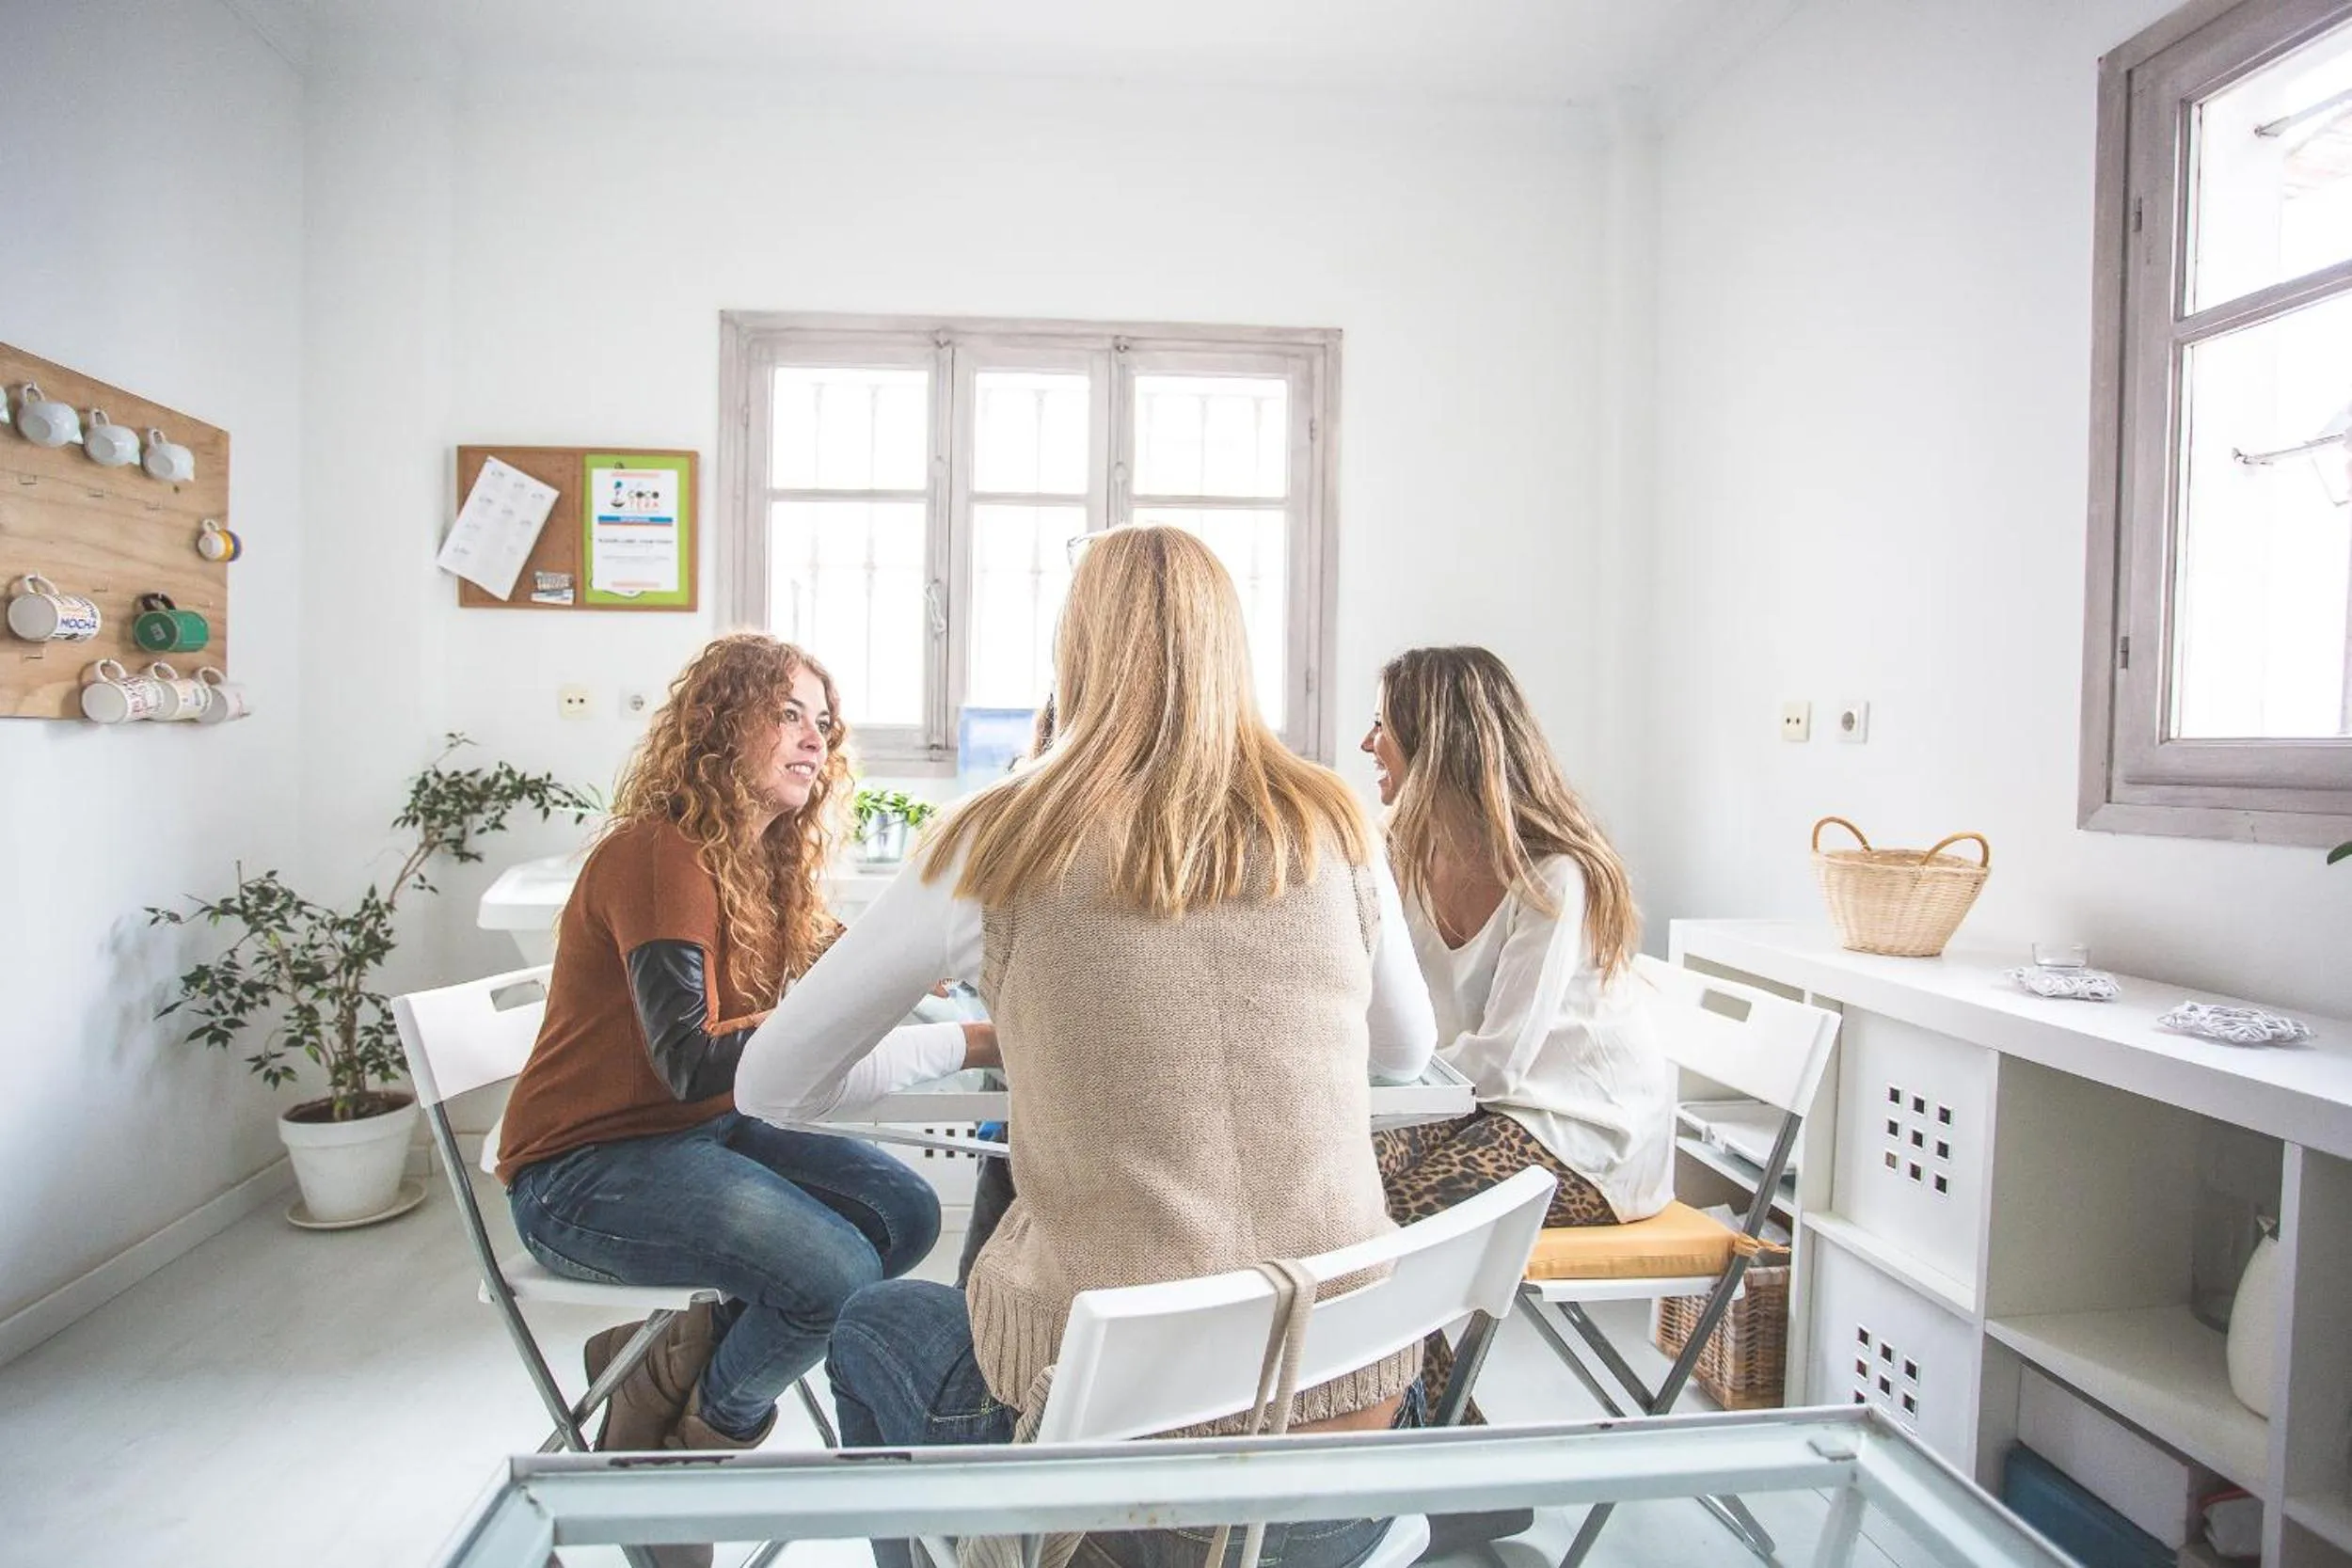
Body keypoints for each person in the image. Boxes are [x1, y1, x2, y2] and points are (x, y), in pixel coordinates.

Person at [733, 526, 1440, 1568]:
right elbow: (1405, 1049)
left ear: (1076, 653)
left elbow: (771, 1082)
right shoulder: (1333, 823)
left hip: (1117, 1503)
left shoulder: (999, 837)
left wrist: (986, 1035)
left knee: (879, 1320)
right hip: (1350, 1474)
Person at [495, 635, 978, 1486]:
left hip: (702, 1138)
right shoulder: (661, 852)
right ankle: (702, 1443)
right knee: (834, 1277)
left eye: (822, 723)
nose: (812, 739)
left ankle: (666, 1357)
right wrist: (844, 1010)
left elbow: (849, 972)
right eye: (786, 714)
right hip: (579, 1175)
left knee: (906, 1211)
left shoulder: (763, 862)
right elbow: (688, 1058)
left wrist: (920, 956)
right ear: (721, 724)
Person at [1361, 645, 1674, 1417]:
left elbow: (1498, 1065)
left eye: (1382, 724)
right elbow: (1384, 1018)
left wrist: (1372, 1084)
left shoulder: (1552, 874)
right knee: (1327, 1187)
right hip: (1474, 1106)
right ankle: (1442, 1431)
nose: (1369, 743)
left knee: (1383, 1226)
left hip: (1582, 1131)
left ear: (1436, 742)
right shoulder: (1406, 858)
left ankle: (1442, 1448)